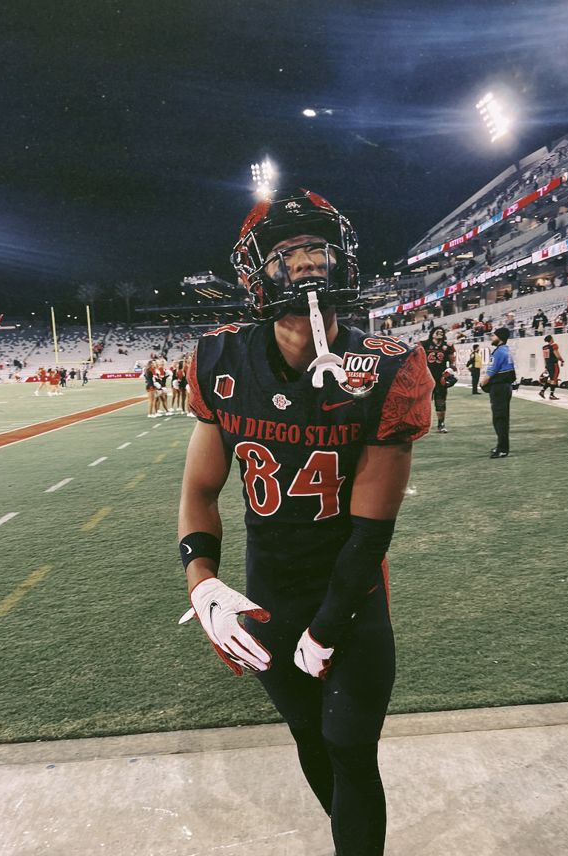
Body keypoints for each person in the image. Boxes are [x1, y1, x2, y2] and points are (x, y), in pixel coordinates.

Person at [178, 187, 434, 856]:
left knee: (349, 745)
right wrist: (203, 584)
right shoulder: (221, 360)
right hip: (271, 594)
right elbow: (200, 490)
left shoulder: (385, 366)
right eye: (288, 251)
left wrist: (326, 626)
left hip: (350, 592)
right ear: (255, 271)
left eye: (318, 246)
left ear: (341, 257)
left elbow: (372, 530)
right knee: (310, 737)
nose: (308, 261)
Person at [480, 326, 516, 458]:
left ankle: (502, 449)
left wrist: (482, 384)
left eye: (494, 335)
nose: (492, 337)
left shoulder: (499, 352)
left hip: (499, 388)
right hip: (505, 387)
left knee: (499, 419)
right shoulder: (506, 350)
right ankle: (501, 446)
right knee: (502, 418)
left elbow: (490, 373)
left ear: (499, 337)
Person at [421, 326, 457, 432]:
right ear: (432, 333)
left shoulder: (447, 346)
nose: (440, 333)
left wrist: (451, 372)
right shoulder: (424, 344)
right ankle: (421, 424)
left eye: (442, 332)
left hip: (440, 377)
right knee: (423, 402)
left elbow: (452, 363)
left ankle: (441, 424)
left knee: (440, 402)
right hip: (426, 377)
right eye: (437, 331)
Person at [539, 335, 564, 400]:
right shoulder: (554, 346)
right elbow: (557, 355)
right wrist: (562, 360)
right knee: (554, 380)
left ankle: (542, 391)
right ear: (551, 339)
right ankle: (551, 395)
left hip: (548, 365)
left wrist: (546, 366)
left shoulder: (545, 347)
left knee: (551, 379)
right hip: (554, 365)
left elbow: (545, 358)